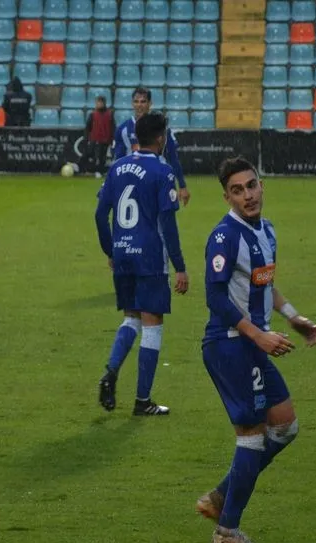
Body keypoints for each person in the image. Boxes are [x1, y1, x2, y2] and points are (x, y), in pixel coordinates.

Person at [194, 157, 316, 543]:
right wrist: (259, 335)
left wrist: (293, 316)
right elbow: (215, 297)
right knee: (251, 437)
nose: (247, 195)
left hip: (250, 344)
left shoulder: (266, 230)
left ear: (262, 185)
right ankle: (227, 531)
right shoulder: (224, 236)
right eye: (237, 190)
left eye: (251, 186)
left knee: (285, 427)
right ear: (227, 197)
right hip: (231, 345)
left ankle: (221, 497)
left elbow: (265, 286)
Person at [95, 112, 189, 416]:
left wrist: (111, 250)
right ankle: (142, 400)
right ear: (161, 139)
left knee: (131, 317)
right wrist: (180, 266)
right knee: (152, 324)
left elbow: (100, 214)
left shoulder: (118, 167)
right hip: (150, 256)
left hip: (122, 252)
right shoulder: (162, 171)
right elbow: (168, 224)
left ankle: (111, 371)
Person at [113, 87, 190, 207]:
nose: (139, 105)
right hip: (133, 182)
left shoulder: (162, 129)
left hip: (159, 179)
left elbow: (172, 157)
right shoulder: (122, 129)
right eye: (136, 101)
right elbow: (118, 160)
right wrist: (111, 184)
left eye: (143, 101)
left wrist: (182, 185)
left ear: (150, 103)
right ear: (132, 103)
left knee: (164, 215)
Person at [84, 95, 116, 176]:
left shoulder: (109, 114)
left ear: (104, 103)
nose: (99, 104)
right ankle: (93, 170)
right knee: (94, 156)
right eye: (97, 102)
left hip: (106, 140)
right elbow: (88, 127)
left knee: (103, 157)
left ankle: (101, 171)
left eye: (100, 102)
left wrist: (113, 139)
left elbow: (113, 127)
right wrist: (87, 138)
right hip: (95, 139)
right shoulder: (93, 114)